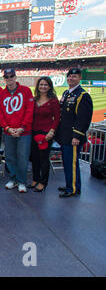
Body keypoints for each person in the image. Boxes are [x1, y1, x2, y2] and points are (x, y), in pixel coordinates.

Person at [55, 68, 93, 198]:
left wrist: (77, 136)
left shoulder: (82, 95)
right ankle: (70, 185)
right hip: (65, 136)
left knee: (72, 163)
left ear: (79, 78)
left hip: (73, 137)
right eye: (70, 77)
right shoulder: (67, 93)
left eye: (74, 77)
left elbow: (83, 118)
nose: (71, 79)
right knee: (67, 162)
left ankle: (72, 189)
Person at [0, 68, 34, 193]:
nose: (9, 78)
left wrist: (22, 127)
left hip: (24, 132)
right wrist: (7, 128)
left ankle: (22, 181)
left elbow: (30, 110)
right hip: (8, 132)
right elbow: (0, 114)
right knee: (10, 157)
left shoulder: (26, 91)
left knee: (22, 157)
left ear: (15, 77)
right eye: (6, 77)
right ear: (4, 79)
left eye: (11, 76)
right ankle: (13, 179)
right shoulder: (2, 94)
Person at [29, 77, 60, 193]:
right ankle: (35, 179)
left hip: (46, 133)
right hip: (33, 132)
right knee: (34, 157)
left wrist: (51, 132)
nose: (43, 87)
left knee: (43, 159)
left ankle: (43, 182)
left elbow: (57, 118)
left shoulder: (53, 101)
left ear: (50, 87)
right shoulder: (34, 99)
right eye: (41, 84)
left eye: (45, 85)